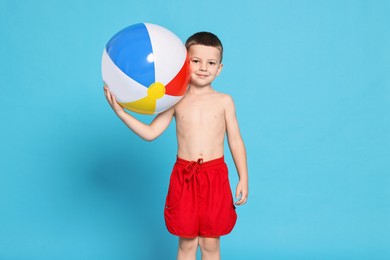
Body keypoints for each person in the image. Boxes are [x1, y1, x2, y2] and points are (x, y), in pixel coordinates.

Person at [104, 31, 248, 260]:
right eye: (196, 61)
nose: (203, 67)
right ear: (184, 63)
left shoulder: (224, 101)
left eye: (211, 63)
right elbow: (151, 133)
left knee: (210, 244)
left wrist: (243, 177)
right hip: (184, 177)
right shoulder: (175, 100)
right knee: (187, 244)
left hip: (215, 177)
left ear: (219, 68)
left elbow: (235, 140)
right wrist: (121, 113)